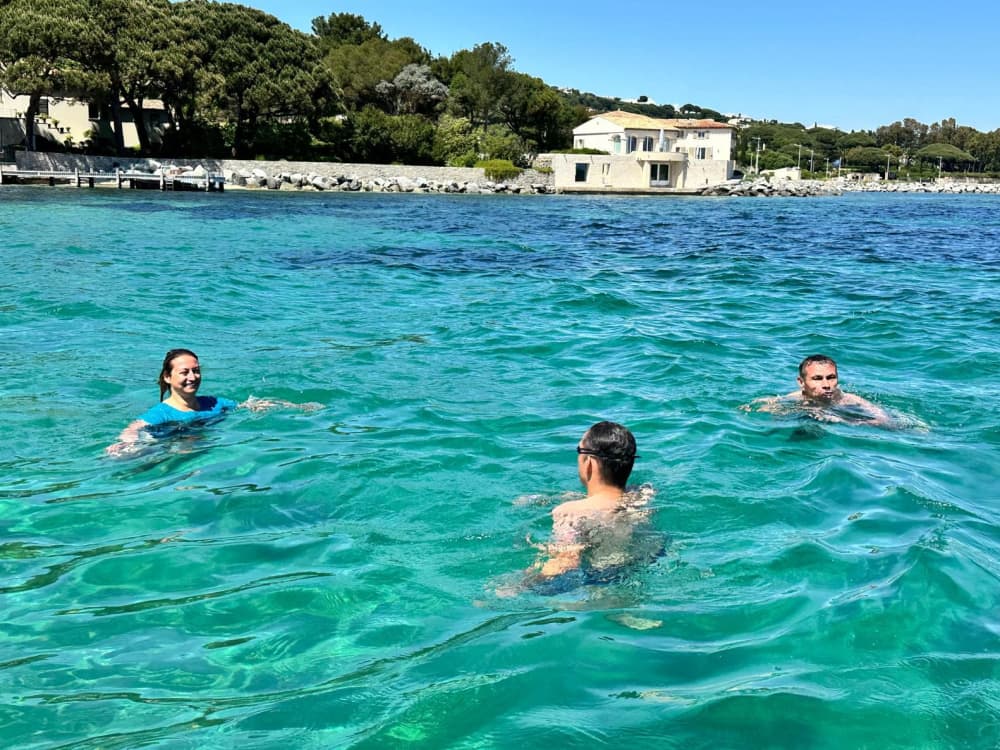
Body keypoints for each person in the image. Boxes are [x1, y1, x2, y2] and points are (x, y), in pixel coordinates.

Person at [106, 348, 317, 456]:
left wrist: (296, 407)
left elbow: (247, 405)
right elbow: (135, 427)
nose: (192, 377)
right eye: (184, 372)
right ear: (168, 378)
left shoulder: (214, 403)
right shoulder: (162, 413)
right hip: (171, 445)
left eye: (196, 371)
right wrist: (127, 443)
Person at [527, 421, 655, 584]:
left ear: (589, 462)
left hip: (600, 581)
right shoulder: (642, 494)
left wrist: (518, 586)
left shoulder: (569, 512)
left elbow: (565, 562)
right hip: (639, 569)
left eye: (579, 451)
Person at [745, 354, 892, 426]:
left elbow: (886, 421)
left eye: (831, 377)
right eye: (817, 378)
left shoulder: (849, 400)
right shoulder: (796, 398)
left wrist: (844, 420)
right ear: (801, 382)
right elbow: (766, 408)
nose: (826, 384)